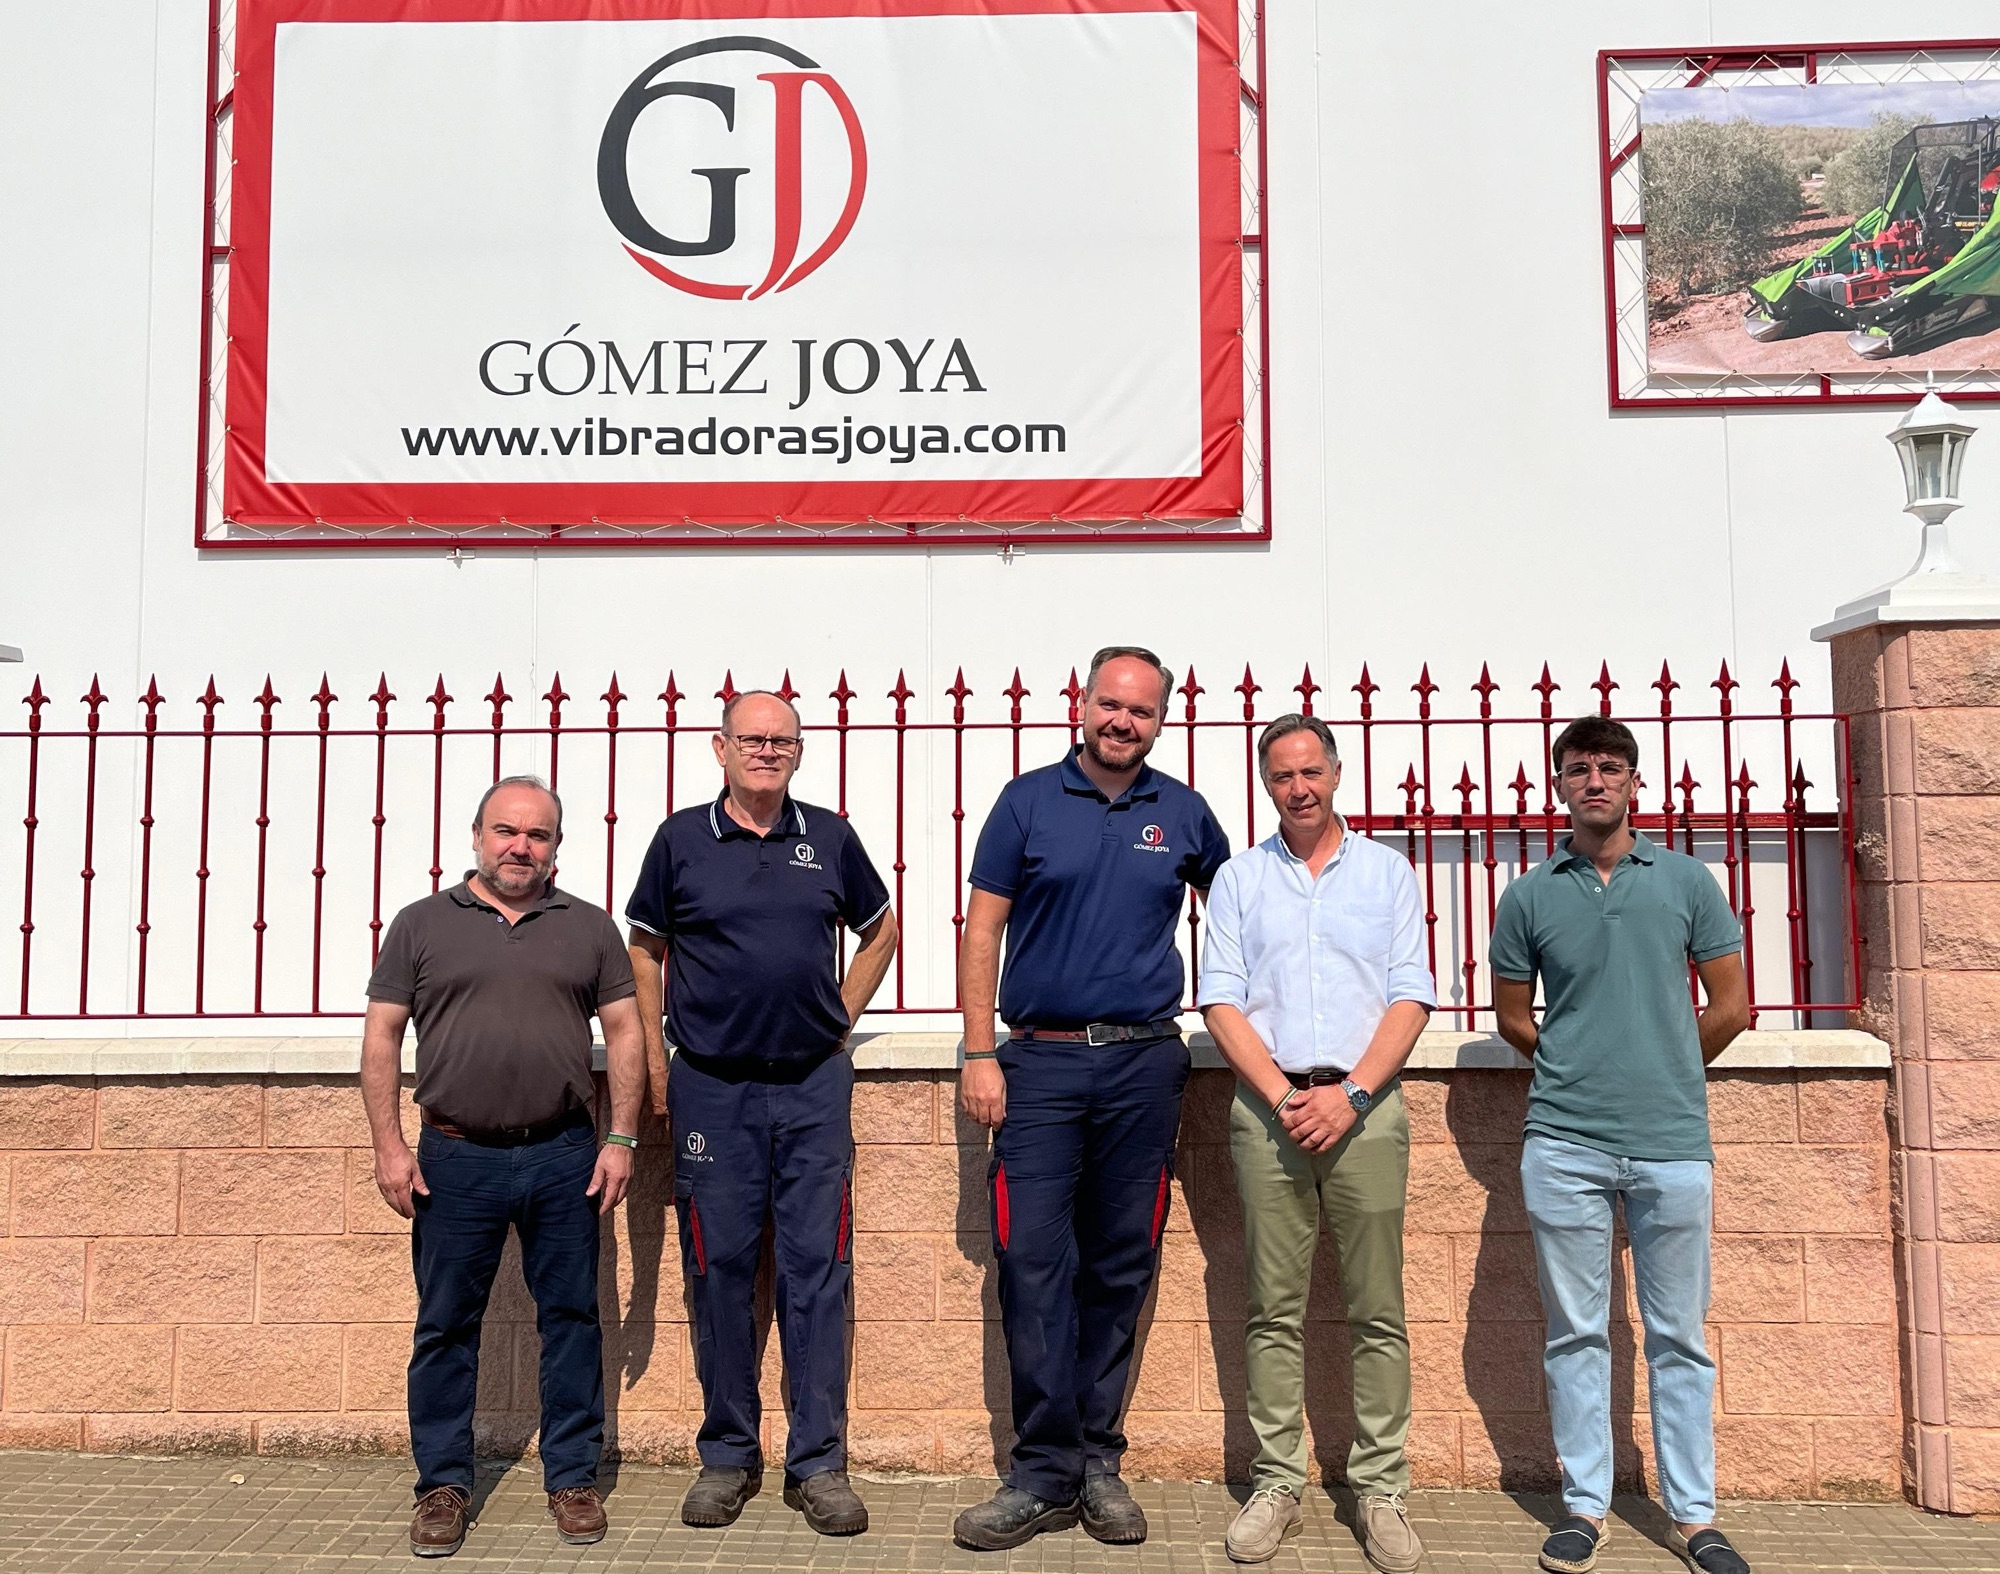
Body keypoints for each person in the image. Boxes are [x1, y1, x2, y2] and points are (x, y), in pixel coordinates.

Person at [953, 646, 1231, 1551]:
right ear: (1083, 703)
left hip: (1145, 1067)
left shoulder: (1184, 813)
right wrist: (980, 1051)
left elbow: (1241, 919)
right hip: (1038, 1067)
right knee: (1031, 1263)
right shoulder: (1026, 802)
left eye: (1142, 711)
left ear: (1161, 720)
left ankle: (1098, 1465)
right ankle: (1041, 1474)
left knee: (1120, 1265)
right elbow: (983, 929)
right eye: (1111, 704)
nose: (1123, 722)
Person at [625, 690, 898, 1537]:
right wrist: (658, 1059)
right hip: (712, 1088)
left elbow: (882, 931)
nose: (767, 751)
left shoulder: (831, 838)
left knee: (818, 1273)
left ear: (799, 751)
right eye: (752, 738)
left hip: (813, 1088)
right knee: (720, 1273)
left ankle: (818, 1464)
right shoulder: (679, 841)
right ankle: (727, 1456)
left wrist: (839, 1016)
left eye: (782, 740)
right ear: (721, 747)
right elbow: (644, 949)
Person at [1489, 716, 1752, 1574]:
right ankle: (1584, 1508)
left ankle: (1694, 1517)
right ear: (1559, 785)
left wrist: (1666, 1063)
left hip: (1672, 1142)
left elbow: (1732, 1007)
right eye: (1578, 769)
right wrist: (1578, 1064)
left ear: (1636, 782)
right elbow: (1513, 1017)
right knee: (1576, 1334)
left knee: (1679, 1337)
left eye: (1609, 767)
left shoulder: (1686, 881)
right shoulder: (1529, 896)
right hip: (1564, 1142)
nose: (1594, 780)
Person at [361, 776, 645, 1559]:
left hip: (563, 1154)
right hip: (454, 1159)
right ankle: (443, 1486)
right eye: (506, 831)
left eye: (538, 835)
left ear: (556, 847)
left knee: (572, 1320)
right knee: (445, 1324)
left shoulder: (588, 927)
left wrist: (621, 1138)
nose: (521, 847)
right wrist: (389, 1145)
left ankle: (573, 1478)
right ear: (477, 836)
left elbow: (626, 1033)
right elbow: (382, 1035)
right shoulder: (421, 925)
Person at [1197, 714, 1434, 1570]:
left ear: (1336, 773)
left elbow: (1411, 994)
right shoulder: (1239, 879)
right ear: (1266, 784)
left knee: (1378, 1309)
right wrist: (1287, 1097)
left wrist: (1352, 1095)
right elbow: (1220, 999)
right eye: (1281, 776)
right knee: (1273, 1310)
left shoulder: (1388, 873)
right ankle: (1277, 1484)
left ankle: (1381, 1489)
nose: (1298, 788)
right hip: (1271, 1111)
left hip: (1367, 1109)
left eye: (1310, 772)